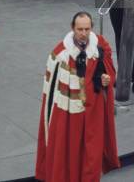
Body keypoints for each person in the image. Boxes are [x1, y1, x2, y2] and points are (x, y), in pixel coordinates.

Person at [35, 11, 120, 181]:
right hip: (69, 115)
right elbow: (51, 93)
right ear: (73, 28)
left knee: (92, 154)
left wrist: (106, 79)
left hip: (94, 110)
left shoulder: (101, 46)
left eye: (87, 29)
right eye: (80, 29)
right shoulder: (61, 54)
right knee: (69, 152)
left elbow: (109, 71)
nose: (83, 33)